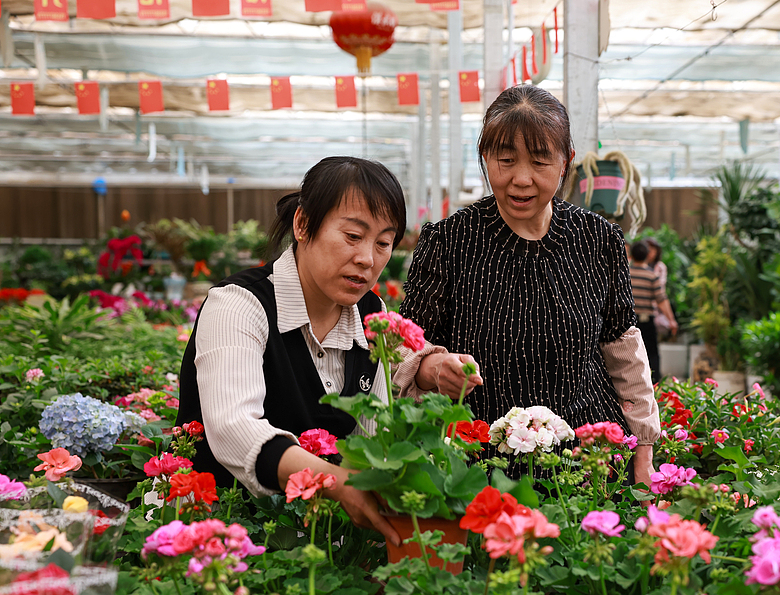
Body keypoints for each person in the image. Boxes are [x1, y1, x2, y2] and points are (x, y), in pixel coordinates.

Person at [176, 156, 474, 546]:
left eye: (383, 243)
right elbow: (235, 429)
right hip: (224, 542)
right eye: (353, 236)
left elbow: (374, 433)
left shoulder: (370, 315)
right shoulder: (239, 305)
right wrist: (336, 482)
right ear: (302, 225)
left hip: (325, 545)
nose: (368, 259)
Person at [399, 84, 660, 487]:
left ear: (566, 161)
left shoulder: (598, 240)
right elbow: (407, 345)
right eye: (505, 160)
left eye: (539, 162)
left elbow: (623, 348)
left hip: (587, 466)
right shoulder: (449, 242)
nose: (521, 179)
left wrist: (643, 447)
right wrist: (431, 369)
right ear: (484, 157)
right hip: (481, 470)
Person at [629, 240, 677, 383]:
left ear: (632, 255)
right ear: (646, 256)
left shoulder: (625, 274)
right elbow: (661, 300)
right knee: (651, 353)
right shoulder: (652, 276)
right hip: (646, 321)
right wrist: (671, 320)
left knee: (629, 353)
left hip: (628, 321)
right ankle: (654, 384)